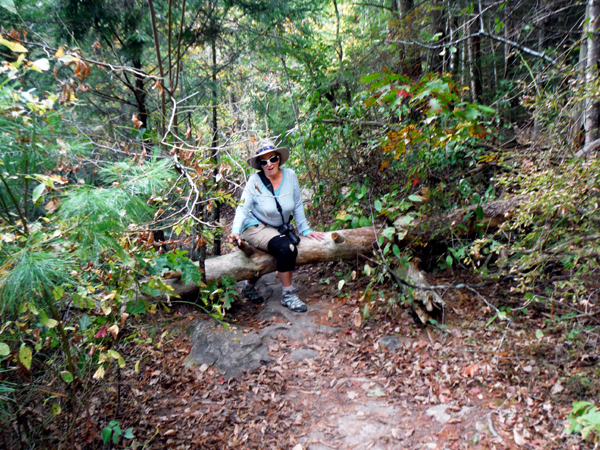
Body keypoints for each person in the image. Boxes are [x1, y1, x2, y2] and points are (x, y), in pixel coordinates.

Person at [230, 138, 325, 312]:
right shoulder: (254, 181)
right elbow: (243, 208)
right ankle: (288, 294)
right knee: (286, 248)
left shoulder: (290, 176)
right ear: (260, 164)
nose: (269, 164)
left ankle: (248, 287)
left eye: (272, 159)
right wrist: (235, 231)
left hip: (278, 228)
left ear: (279, 158)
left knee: (277, 247)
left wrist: (305, 229)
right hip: (255, 227)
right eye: (263, 161)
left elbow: (297, 204)